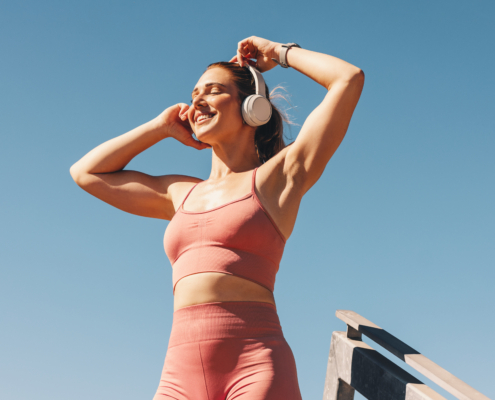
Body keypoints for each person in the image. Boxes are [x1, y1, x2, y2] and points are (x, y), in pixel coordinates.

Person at [70, 36, 364, 400]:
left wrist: (278, 52)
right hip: (178, 375)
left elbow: (348, 79)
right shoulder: (179, 193)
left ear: (251, 108)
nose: (197, 101)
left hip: (254, 366)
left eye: (212, 91)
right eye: (194, 94)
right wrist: (159, 127)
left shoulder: (277, 178)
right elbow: (86, 173)